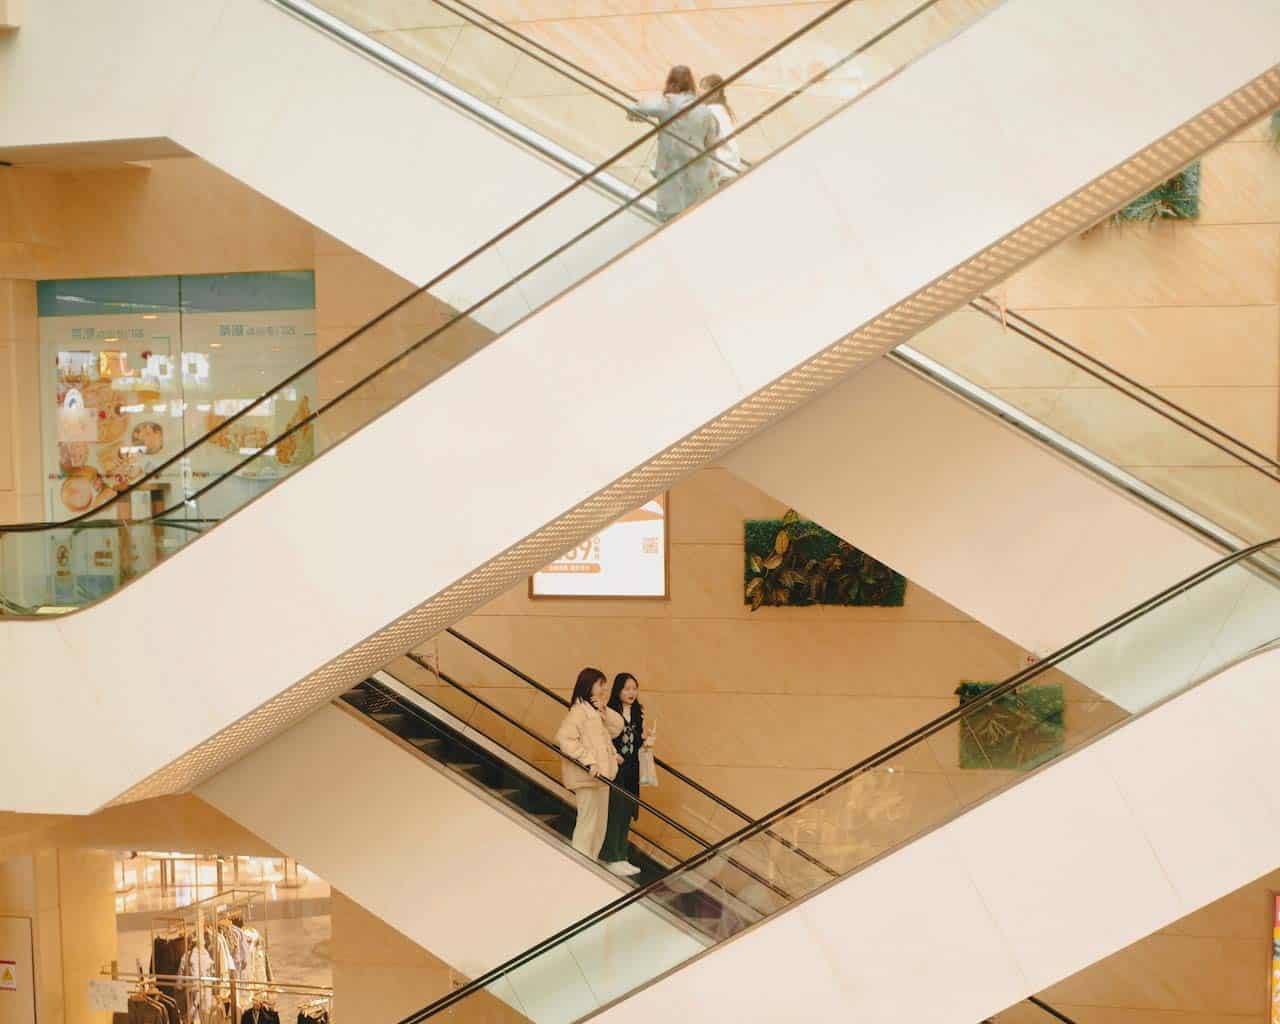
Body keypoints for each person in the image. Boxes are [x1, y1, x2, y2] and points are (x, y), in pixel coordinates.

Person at [626, 65, 720, 221]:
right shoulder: (705, 110)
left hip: (674, 176)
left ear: (670, 81)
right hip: (701, 177)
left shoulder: (668, 103)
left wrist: (635, 114)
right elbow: (712, 143)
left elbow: (638, 107)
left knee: (673, 223)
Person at [555, 667, 624, 858]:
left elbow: (617, 728)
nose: (604, 689)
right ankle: (580, 864)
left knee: (599, 825)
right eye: (600, 684)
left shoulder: (594, 711)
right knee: (588, 823)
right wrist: (590, 762)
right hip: (588, 777)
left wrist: (604, 710)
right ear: (589, 684)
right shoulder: (579, 711)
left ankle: (590, 862)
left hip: (602, 778)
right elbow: (565, 739)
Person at [599, 672, 653, 876]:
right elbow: (604, 737)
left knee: (627, 812)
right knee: (616, 811)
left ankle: (621, 856)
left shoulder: (638, 712)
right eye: (627, 689)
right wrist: (613, 755)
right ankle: (611, 856)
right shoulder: (610, 711)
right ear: (618, 690)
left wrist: (645, 741)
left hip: (632, 768)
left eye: (634, 688)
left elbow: (636, 741)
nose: (631, 693)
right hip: (615, 768)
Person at [700, 73, 744, 185]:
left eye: (704, 88)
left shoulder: (713, 110)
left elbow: (708, 138)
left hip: (721, 167)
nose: (700, 92)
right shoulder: (721, 109)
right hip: (729, 166)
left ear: (715, 92)